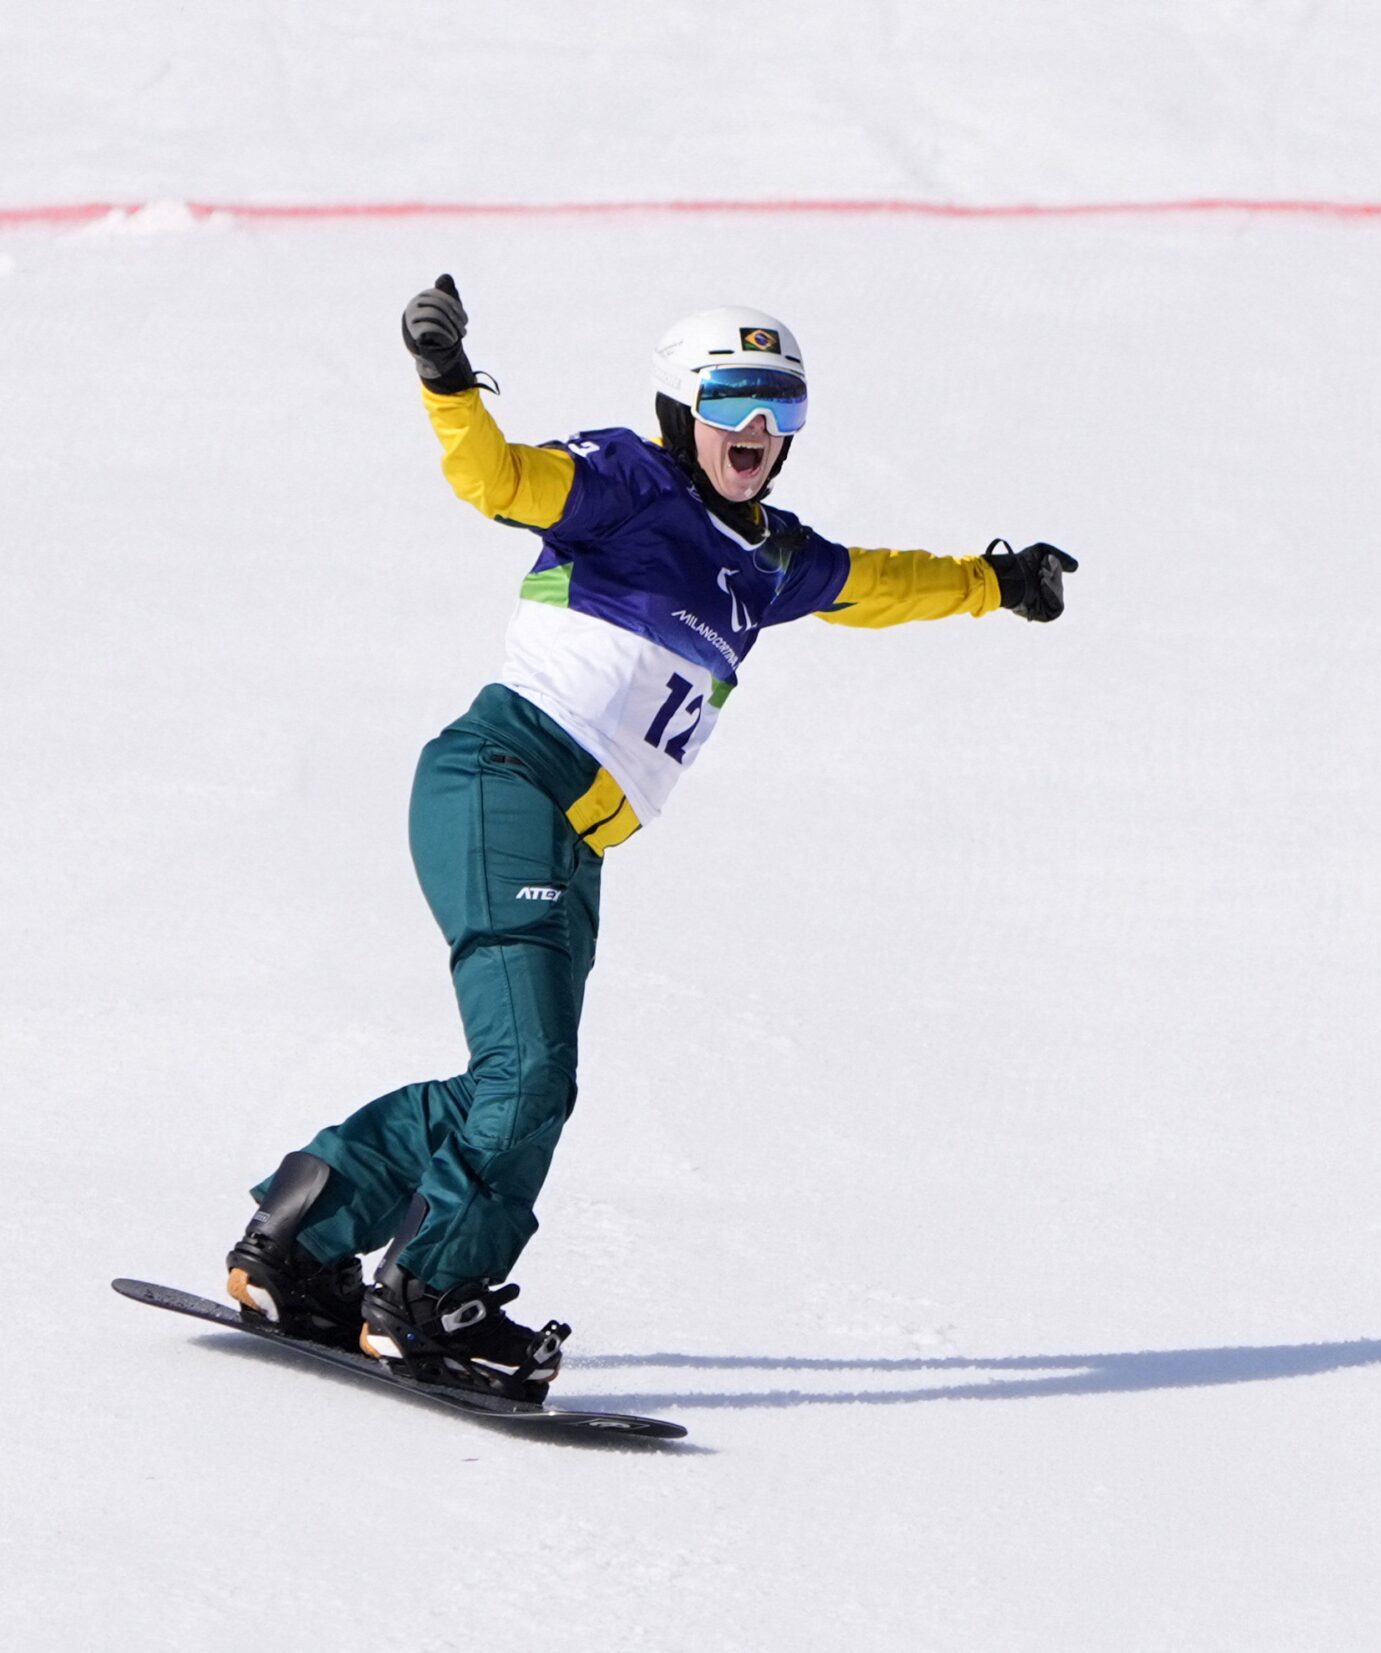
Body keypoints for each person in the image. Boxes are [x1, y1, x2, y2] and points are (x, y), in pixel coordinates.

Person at [221, 275, 1079, 1401]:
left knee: (511, 1081)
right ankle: (430, 1296)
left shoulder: (769, 560)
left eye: (781, 409)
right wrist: (446, 381)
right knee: (529, 1078)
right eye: (733, 404)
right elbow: (497, 478)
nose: (758, 435)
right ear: (683, 410)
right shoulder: (627, 484)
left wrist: (994, 582)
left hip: (564, 833)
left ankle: (300, 1243)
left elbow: (874, 585)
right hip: (505, 778)